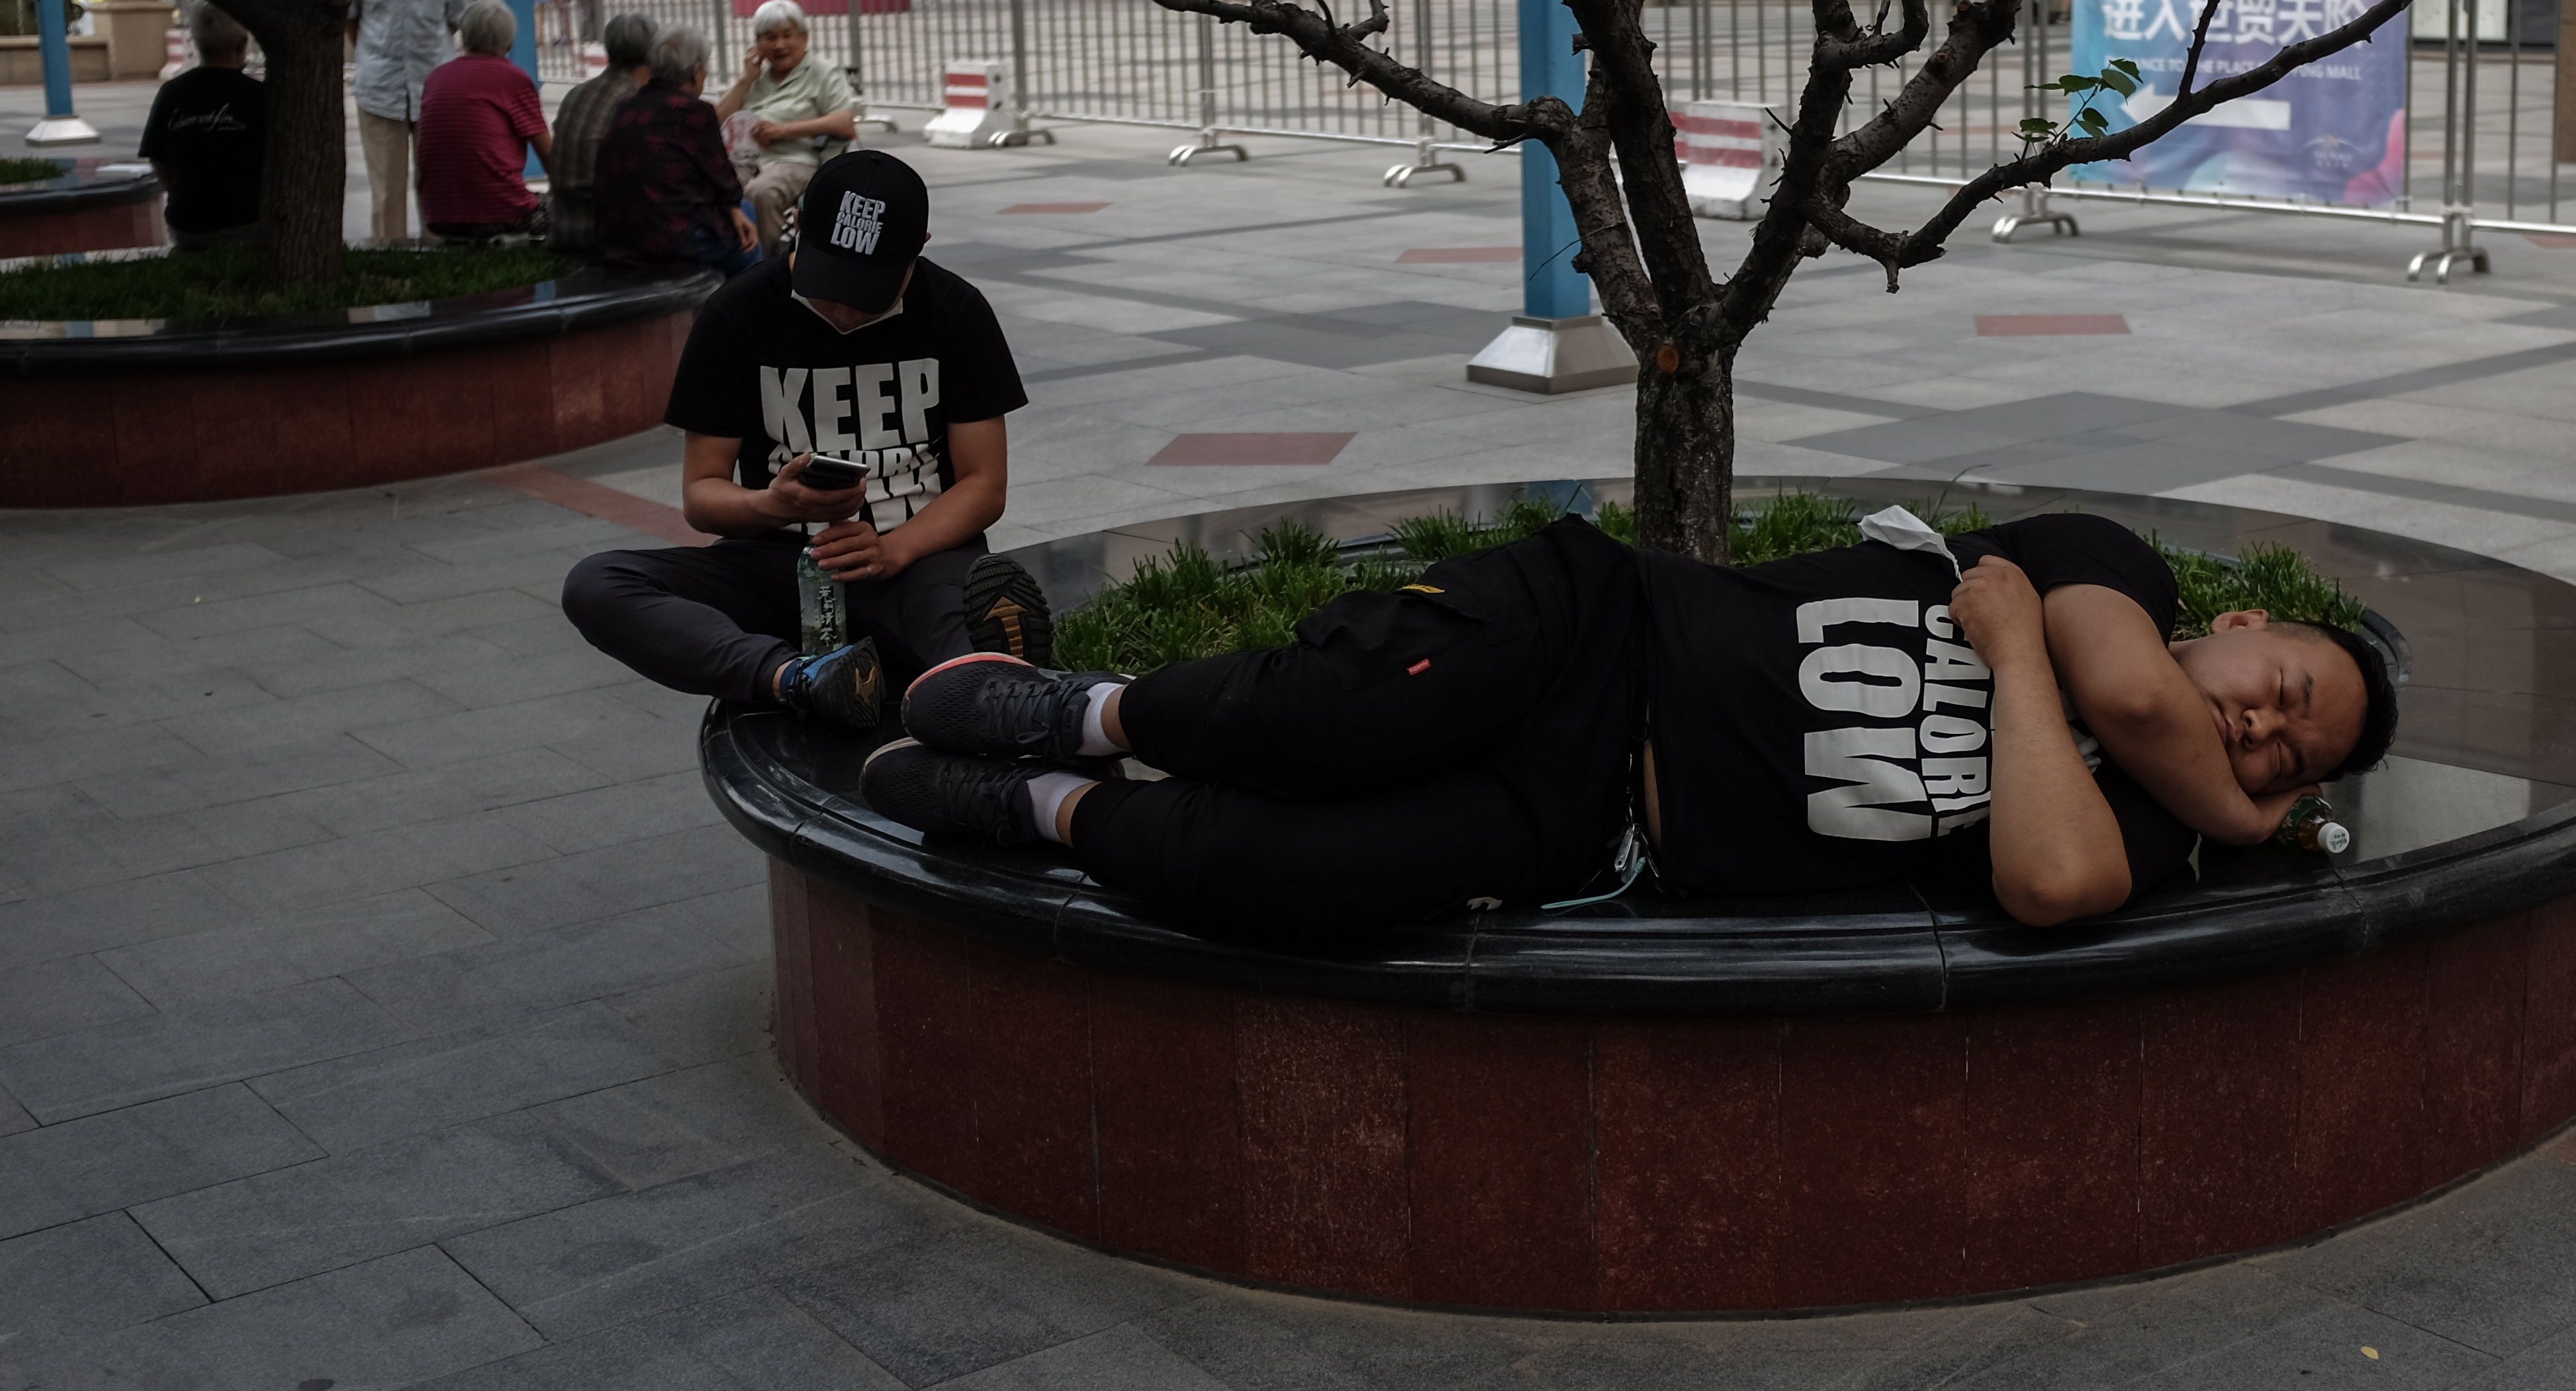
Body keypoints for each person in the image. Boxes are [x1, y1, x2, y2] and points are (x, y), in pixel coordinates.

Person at [864, 511, 2399, 943]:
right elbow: (2128, 689)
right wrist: (2231, 800)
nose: (2271, 724)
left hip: (1600, 826)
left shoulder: (2130, 831)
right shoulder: (2106, 566)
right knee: (1336, 710)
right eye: (2291, 685)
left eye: (2294, 752)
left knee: (1299, 879)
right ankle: (1092, 708)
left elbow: (2048, 887)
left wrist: (2006, 667)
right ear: (2245, 624)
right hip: (1596, 632)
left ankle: (1044, 808)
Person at [562, 150, 1047, 729]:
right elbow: (702, 496)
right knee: (597, 584)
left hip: (918, 557)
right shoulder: (736, 314)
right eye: (827, 283)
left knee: (965, 631)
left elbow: (984, 484)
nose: (842, 308)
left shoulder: (955, 311)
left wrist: (893, 549)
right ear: (797, 225)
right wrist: (774, 503)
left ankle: (990, 679)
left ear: (919, 245)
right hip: (775, 563)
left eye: (866, 290)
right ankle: (801, 678)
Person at [344, 0, 467, 241]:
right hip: (380, 93)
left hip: (434, 96)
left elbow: (455, 21)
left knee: (439, 189)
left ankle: (440, 270)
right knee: (386, 193)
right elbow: (352, 24)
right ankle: (391, 267)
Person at [593, 25, 757, 277]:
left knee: (737, 213)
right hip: (671, 241)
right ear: (696, 73)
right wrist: (733, 207)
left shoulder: (626, 107)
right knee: (748, 232)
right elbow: (724, 181)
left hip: (617, 236)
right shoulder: (694, 111)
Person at [713, 0, 856, 247]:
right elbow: (713, 122)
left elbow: (845, 122)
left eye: (787, 35)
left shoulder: (823, 72)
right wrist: (746, 80)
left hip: (797, 160)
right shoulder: (757, 78)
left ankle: (765, 267)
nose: (780, 45)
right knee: (715, 185)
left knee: (761, 193)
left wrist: (783, 131)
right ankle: (731, 259)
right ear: (758, 44)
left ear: (804, 37)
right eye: (769, 38)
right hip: (749, 160)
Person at [137, 0, 265, 248]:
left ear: (195, 42)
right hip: (249, 220)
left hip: (188, 223)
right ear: (241, 45)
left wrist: (177, 193)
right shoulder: (259, 95)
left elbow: (157, 157)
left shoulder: (172, 93)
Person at [416, 0, 545, 242]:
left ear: (464, 38)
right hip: (500, 214)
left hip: (438, 216)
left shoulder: (436, 77)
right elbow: (550, 158)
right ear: (509, 43)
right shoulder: (513, 79)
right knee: (570, 207)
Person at [547, 13, 655, 251]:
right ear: (653, 54)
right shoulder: (636, 104)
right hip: (606, 237)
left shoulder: (576, 95)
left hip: (563, 228)